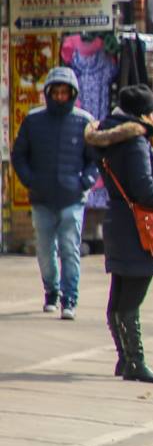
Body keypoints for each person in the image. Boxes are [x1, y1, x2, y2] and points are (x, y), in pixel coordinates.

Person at [85, 86, 153, 384]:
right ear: (143, 113)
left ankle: (124, 359)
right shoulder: (135, 142)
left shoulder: (109, 137)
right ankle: (134, 361)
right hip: (138, 226)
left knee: (120, 294)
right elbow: (144, 188)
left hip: (118, 221)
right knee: (131, 297)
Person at [11, 67, 97, 319]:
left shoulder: (84, 122)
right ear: (49, 93)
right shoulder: (33, 121)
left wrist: (85, 182)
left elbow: (95, 160)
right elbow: (19, 156)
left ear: (72, 94)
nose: (60, 97)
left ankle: (70, 299)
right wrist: (30, 180)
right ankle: (52, 290)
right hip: (42, 197)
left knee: (70, 248)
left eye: (64, 92)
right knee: (45, 250)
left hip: (72, 198)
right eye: (56, 92)